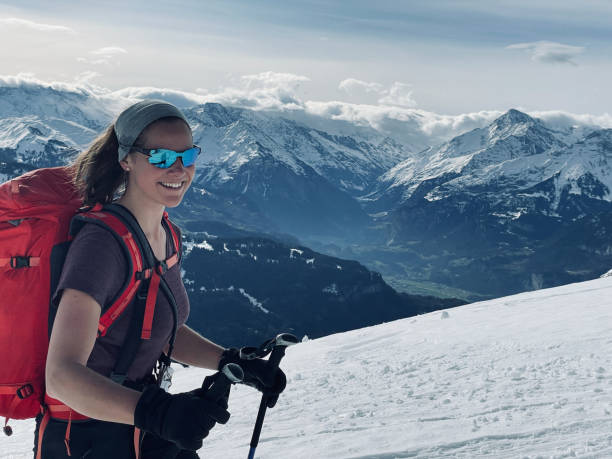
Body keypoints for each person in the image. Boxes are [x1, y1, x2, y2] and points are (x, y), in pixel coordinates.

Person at [35, 100, 285, 459]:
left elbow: (154, 329)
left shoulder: (166, 234)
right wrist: (158, 413)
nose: (179, 169)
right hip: (89, 437)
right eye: (161, 157)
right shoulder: (101, 245)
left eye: (188, 155)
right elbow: (61, 375)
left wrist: (233, 362)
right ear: (126, 159)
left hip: (143, 424)